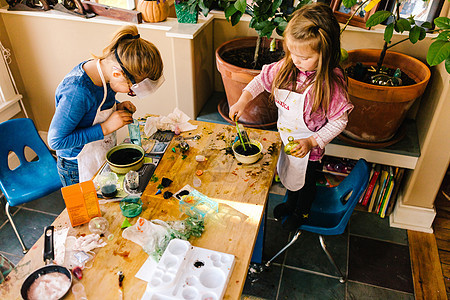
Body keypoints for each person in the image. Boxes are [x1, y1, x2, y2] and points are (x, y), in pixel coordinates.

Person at [229, 3, 353, 231]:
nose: (295, 60)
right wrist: (242, 100)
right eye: (292, 52)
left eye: (304, 57)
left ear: (324, 54)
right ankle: (290, 204)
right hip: (287, 139)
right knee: (290, 175)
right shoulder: (287, 67)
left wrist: (311, 142)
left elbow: (340, 121)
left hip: (310, 150)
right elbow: (260, 81)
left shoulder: (330, 85)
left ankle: (301, 212)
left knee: (305, 184)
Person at [48, 25, 164, 186]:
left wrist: (117, 106)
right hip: (77, 166)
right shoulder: (77, 92)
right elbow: (56, 141)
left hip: (98, 153)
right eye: (131, 89)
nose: (131, 93)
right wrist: (106, 128)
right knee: (88, 210)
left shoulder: (106, 74)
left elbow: (94, 108)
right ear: (118, 74)